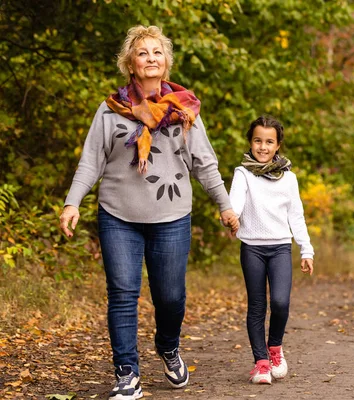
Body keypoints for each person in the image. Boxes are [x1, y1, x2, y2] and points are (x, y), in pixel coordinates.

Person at [59, 25, 238, 400]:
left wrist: (225, 205)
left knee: (170, 297)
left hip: (171, 217)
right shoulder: (110, 111)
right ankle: (127, 372)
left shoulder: (185, 110)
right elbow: (90, 162)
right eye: (143, 53)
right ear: (130, 64)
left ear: (166, 63)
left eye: (157, 52)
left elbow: (204, 163)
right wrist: (72, 202)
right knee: (123, 293)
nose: (151, 58)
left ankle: (168, 346)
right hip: (117, 215)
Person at [229, 115, 314, 384]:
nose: (262, 147)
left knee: (280, 302)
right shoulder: (242, 173)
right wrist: (232, 217)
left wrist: (306, 249)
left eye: (269, 142)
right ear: (251, 142)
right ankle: (261, 363)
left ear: (277, 145)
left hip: (279, 248)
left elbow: (296, 216)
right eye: (257, 141)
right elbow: (236, 203)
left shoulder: (289, 179)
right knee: (256, 306)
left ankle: (275, 347)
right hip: (252, 248)